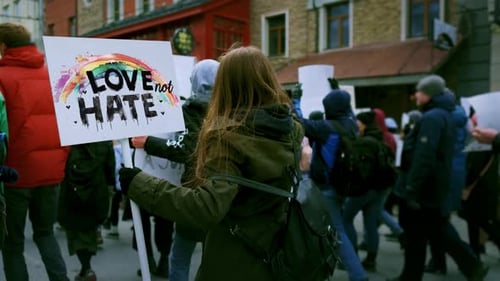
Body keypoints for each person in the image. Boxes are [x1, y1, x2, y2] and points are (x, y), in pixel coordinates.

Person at [119, 46, 303, 281]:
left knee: (180, 258)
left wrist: (138, 182)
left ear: (228, 85)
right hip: (276, 245)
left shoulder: (228, 137)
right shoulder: (292, 128)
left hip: (237, 254)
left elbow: (205, 207)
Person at [388, 75, 488, 281]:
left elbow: (424, 156)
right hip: (433, 186)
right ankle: (471, 265)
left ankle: (471, 265)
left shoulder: (432, 117)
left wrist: (411, 189)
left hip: (424, 189)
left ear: (429, 94)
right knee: (436, 230)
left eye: (420, 91)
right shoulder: (444, 114)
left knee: (425, 233)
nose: (416, 95)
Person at [130, 59, 219, 281]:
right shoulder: (229, 110)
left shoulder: (190, 111)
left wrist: (148, 142)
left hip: (195, 193)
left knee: (180, 260)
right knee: (213, 260)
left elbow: (186, 149)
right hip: (221, 195)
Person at [0, 23, 70, 281]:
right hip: (51, 172)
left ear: (4, 46)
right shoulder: (52, 74)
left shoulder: (2, 76)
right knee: (45, 233)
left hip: (15, 173)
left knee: (12, 243)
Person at [293, 83, 368, 281]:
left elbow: (298, 122)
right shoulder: (352, 125)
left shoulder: (326, 128)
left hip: (327, 188)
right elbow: (349, 110)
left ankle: (358, 274)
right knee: (339, 226)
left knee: (337, 232)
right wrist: (338, 89)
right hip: (345, 186)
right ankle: (348, 261)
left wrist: (296, 99)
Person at [342, 110, 392, 272]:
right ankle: (371, 260)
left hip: (365, 190)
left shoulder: (364, 142)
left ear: (362, 124)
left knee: (345, 219)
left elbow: (361, 171)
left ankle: (353, 258)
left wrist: (353, 189)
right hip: (379, 189)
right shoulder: (379, 138)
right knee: (371, 224)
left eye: (358, 122)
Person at [425, 89, 468, 274]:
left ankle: (457, 261)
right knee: (441, 219)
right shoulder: (461, 117)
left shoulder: (440, 118)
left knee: (438, 221)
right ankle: (438, 261)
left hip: (443, 171)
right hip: (457, 169)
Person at [58, 141, 115, 281]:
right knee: (89, 229)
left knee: (76, 232)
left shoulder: (68, 134)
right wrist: (110, 185)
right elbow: (110, 164)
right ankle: (86, 269)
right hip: (96, 187)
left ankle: (86, 268)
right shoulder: (102, 135)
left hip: (72, 189)